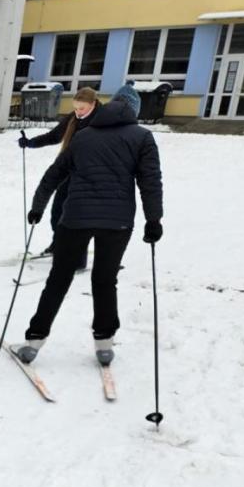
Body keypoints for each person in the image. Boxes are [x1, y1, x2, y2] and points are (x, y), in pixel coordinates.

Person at [15, 89, 162, 367]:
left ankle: (34, 341)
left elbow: (54, 174)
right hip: (117, 222)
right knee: (105, 281)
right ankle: (104, 345)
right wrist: (154, 220)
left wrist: (37, 206)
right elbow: (150, 181)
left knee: (58, 279)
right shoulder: (142, 137)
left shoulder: (84, 136)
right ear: (134, 112)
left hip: (76, 218)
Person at [18, 86, 99, 269]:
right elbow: (54, 136)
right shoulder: (73, 118)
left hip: (90, 175)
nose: (78, 112)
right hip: (68, 168)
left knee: (78, 217)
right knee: (58, 213)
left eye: (82, 108)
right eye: (76, 108)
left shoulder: (101, 121)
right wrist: (30, 143)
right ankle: (59, 243)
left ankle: (78, 258)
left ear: (93, 104)